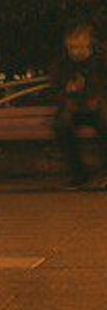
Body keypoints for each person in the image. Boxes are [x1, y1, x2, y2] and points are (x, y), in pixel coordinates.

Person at [53, 23, 106, 188]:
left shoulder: (101, 61)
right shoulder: (63, 63)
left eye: (78, 47)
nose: (74, 52)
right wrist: (68, 93)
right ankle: (79, 173)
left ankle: (105, 173)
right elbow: (56, 87)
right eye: (71, 48)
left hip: (98, 107)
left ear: (89, 46)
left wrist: (95, 97)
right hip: (74, 107)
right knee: (62, 125)